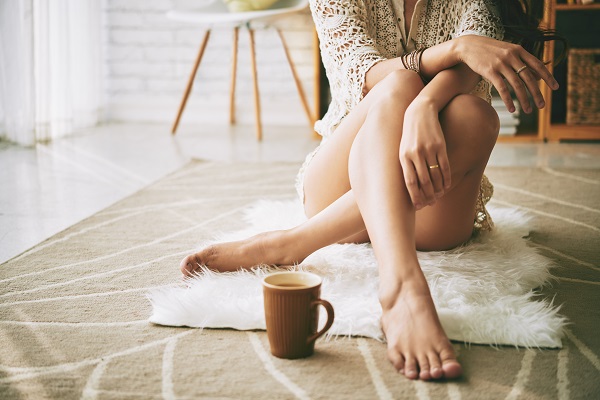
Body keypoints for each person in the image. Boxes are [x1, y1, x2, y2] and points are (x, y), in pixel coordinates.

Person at [180, 0, 564, 381]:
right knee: (398, 83)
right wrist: (455, 48)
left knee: (475, 116)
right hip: (339, 182)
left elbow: (474, 63)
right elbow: (365, 73)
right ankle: (402, 288)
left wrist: (425, 106)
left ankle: (295, 242)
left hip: (431, 202)